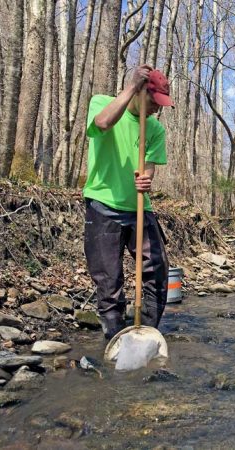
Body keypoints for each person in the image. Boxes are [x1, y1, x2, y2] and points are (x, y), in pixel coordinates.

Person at [83, 65, 175, 339]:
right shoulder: (102, 103)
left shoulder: (155, 130)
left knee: (158, 270)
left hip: (139, 208)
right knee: (109, 279)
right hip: (103, 205)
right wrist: (131, 86)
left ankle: (145, 333)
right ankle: (115, 337)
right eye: (153, 102)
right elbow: (102, 124)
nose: (156, 110)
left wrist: (146, 180)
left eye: (161, 105)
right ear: (139, 92)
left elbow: (149, 170)